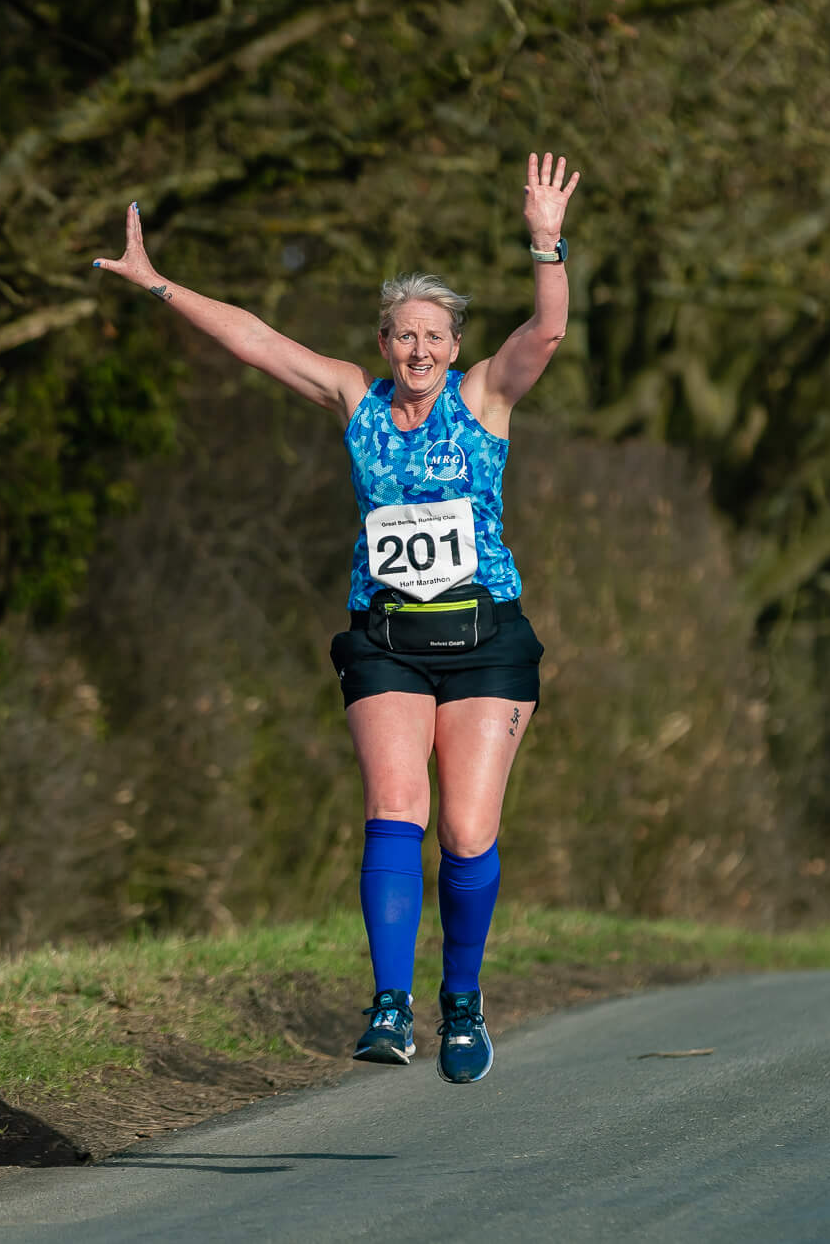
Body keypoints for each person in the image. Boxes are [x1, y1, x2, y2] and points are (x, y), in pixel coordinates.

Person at [92, 152, 581, 1084]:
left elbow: (547, 330)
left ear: (455, 343)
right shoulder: (358, 400)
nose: (418, 351)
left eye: (433, 335)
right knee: (395, 807)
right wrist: (157, 284)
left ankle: (462, 1001)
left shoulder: (484, 397)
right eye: (403, 336)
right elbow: (257, 340)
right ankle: (391, 1004)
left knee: (466, 831)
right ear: (383, 342)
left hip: (485, 641)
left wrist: (545, 242)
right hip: (386, 638)